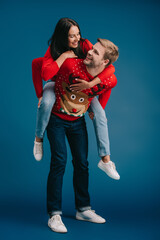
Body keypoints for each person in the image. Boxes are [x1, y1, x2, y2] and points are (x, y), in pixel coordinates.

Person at [32, 18, 120, 180]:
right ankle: (38, 139)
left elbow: (110, 68)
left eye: (78, 34)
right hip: (57, 83)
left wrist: (90, 84)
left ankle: (106, 160)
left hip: (83, 88)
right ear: (62, 37)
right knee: (46, 103)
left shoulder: (85, 44)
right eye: (71, 36)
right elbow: (42, 71)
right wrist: (64, 56)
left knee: (101, 115)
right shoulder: (54, 49)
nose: (77, 38)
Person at [46, 38, 119, 233]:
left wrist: (98, 110)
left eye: (95, 52)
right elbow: (47, 72)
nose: (89, 52)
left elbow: (109, 82)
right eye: (92, 49)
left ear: (104, 62)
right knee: (59, 162)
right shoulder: (72, 64)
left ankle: (83, 209)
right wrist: (42, 95)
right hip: (56, 120)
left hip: (77, 122)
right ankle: (54, 214)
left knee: (82, 163)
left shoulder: (108, 77)